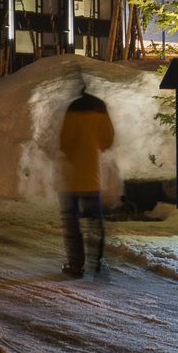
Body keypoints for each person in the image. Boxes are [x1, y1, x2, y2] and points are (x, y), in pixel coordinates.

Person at [57, 85, 115, 277]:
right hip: (92, 176)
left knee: (72, 222)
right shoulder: (100, 108)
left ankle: (76, 265)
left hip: (72, 176)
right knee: (95, 221)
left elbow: (64, 143)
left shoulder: (72, 109)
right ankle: (97, 262)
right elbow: (107, 140)